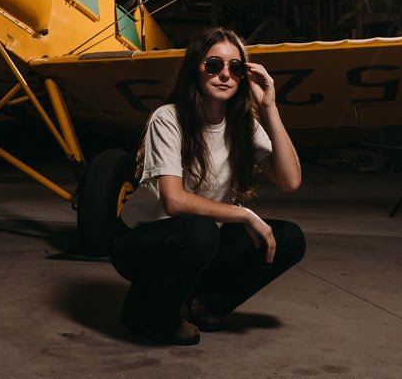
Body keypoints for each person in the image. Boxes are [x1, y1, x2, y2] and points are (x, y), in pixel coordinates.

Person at [109, 27, 305, 345]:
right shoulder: (168, 118)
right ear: (195, 70)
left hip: (199, 241)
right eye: (214, 65)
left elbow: (290, 180)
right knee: (200, 231)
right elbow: (173, 201)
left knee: (289, 238)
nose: (225, 74)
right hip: (140, 243)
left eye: (235, 68)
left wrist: (270, 107)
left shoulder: (243, 124)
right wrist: (242, 213)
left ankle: (203, 305)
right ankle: (145, 313)